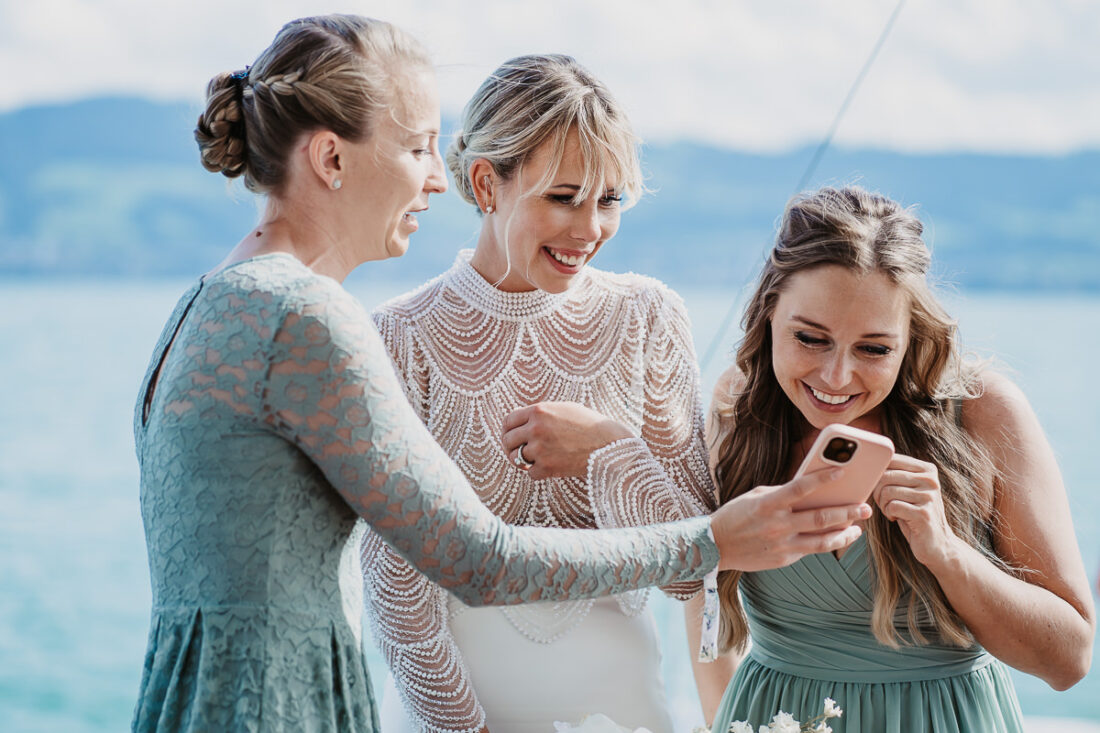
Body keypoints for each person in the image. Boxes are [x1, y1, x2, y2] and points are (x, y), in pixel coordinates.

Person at [131, 16, 870, 733]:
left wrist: (622, 463)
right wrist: (711, 539)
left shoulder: (208, 301)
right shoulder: (318, 318)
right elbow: (472, 560)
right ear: (331, 159)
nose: (436, 178)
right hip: (281, 699)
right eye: (418, 148)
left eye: (609, 198)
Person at [360, 54, 717, 733]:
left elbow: (692, 570)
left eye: (609, 200)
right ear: (486, 183)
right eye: (564, 197)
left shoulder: (649, 317)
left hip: (622, 707)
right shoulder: (400, 336)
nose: (589, 230)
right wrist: (463, 728)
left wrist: (610, 450)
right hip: (451, 712)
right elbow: (394, 584)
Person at [704, 186, 1095, 732]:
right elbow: (701, 606)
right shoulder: (737, 407)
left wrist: (946, 551)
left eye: (874, 349)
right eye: (811, 338)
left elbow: (1068, 660)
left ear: (911, 338)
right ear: (768, 313)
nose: (836, 377)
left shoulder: (984, 413)